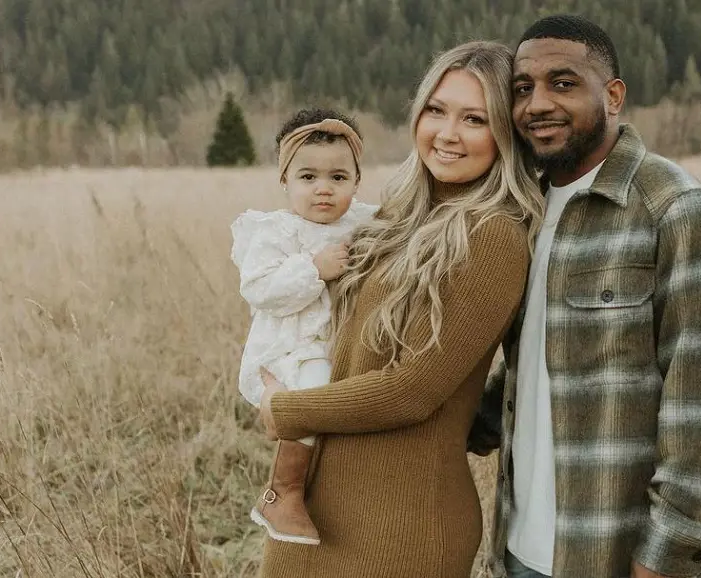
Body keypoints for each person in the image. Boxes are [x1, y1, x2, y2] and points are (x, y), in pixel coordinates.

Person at [254, 40, 545, 578]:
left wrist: (286, 411)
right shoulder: (397, 217)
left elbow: (413, 389)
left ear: (506, 133)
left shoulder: (493, 236)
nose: (447, 133)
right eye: (436, 110)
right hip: (317, 511)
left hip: (399, 529)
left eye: (474, 119)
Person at [468, 14, 701, 578]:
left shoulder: (678, 209)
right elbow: (529, 372)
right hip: (517, 548)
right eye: (523, 88)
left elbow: (699, 404)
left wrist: (667, 556)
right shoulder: (526, 211)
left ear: (613, 95)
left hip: (613, 556)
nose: (536, 104)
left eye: (562, 83)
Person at [230, 108, 378, 546]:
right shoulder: (275, 231)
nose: (324, 190)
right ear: (285, 181)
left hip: (341, 343)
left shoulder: (367, 222)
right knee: (315, 392)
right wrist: (314, 269)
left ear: (356, 181)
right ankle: (284, 493)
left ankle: (337, 498)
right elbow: (260, 289)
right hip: (291, 350)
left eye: (338, 178)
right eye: (308, 177)